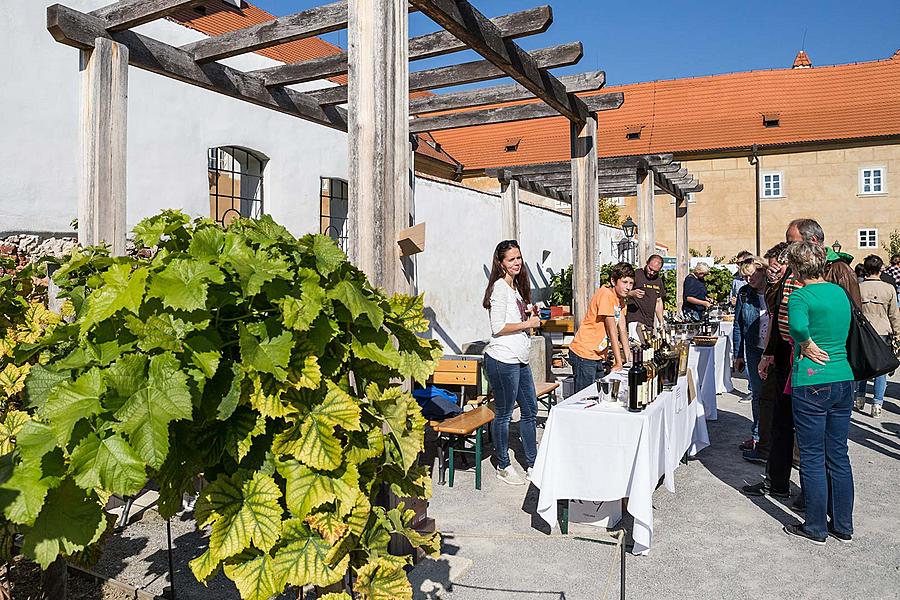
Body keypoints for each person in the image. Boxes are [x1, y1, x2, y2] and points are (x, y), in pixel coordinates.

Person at [744, 218, 859, 506]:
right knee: (780, 423)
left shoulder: (836, 270)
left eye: (792, 240)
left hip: (820, 364)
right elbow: (777, 310)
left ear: (813, 241)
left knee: (818, 441)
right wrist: (772, 281)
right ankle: (777, 482)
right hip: (787, 357)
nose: (787, 246)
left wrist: (820, 350)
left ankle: (815, 498)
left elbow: (852, 317)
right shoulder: (792, 268)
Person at [782, 241, 855, 544]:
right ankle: (843, 524)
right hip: (843, 377)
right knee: (838, 454)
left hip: (812, 379)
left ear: (797, 268)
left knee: (811, 456)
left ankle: (815, 525)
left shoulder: (801, 295)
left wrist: (807, 343)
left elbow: (797, 326)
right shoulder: (839, 292)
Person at [482, 240, 541, 485]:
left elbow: (513, 320)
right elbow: (497, 328)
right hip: (503, 358)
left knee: (530, 410)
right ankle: (503, 465)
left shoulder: (514, 287)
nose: (517, 262)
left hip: (520, 358)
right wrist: (528, 324)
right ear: (501, 263)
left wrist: (528, 315)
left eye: (518, 257)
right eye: (511, 259)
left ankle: (533, 463)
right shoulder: (499, 288)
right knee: (504, 414)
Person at [743, 242, 791, 463]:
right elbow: (739, 324)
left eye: (775, 268)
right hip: (760, 348)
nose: (748, 280)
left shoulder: (786, 289)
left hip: (779, 352)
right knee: (762, 396)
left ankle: (768, 448)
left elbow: (779, 322)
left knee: (773, 400)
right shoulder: (749, 293)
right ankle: (761, 441)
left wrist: (768, 353)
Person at [568, 262, 633, 393]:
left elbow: (622, 330)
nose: (628, 287)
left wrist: (629, 358)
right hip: (584, 353)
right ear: (614, 281)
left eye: (631, 283)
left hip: (597, 355)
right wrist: (619, 362)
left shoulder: (620, 300)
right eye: (625, 282)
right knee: (584, 397)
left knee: (598, 395)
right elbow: (612, 331)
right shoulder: (606, 295)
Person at [855, 255, 900, 418]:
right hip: (882, 330)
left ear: (865, 269)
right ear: (881, 269)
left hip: (864, 331)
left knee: (862, 365)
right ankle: (877, 404)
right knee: (881, 369)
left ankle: (859, 397)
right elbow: (894, 315)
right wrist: (898, 333)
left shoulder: (858, 288)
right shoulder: (888, 289)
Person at [732, 257, 768, 450]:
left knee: (775, 393)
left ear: (762, 271)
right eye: (744, 277)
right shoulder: (744, 294)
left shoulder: (775, 290)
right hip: (754, 348)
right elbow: (738, 324)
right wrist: (738, 354)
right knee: (758, 393)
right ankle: (757, 435)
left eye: (751, 275)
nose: (748, 280)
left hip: (774, 349)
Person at [626, 254, 666, 335]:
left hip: (649, 321)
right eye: (650, 269)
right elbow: (621, 292)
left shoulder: (658, 280)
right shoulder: (636, 274)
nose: (651, 273)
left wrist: (661, 321)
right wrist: (632, 293)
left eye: (655, 271)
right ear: (647, 263)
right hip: (635, 319)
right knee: (637, 346)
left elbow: (658, 301)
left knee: (648, 346)